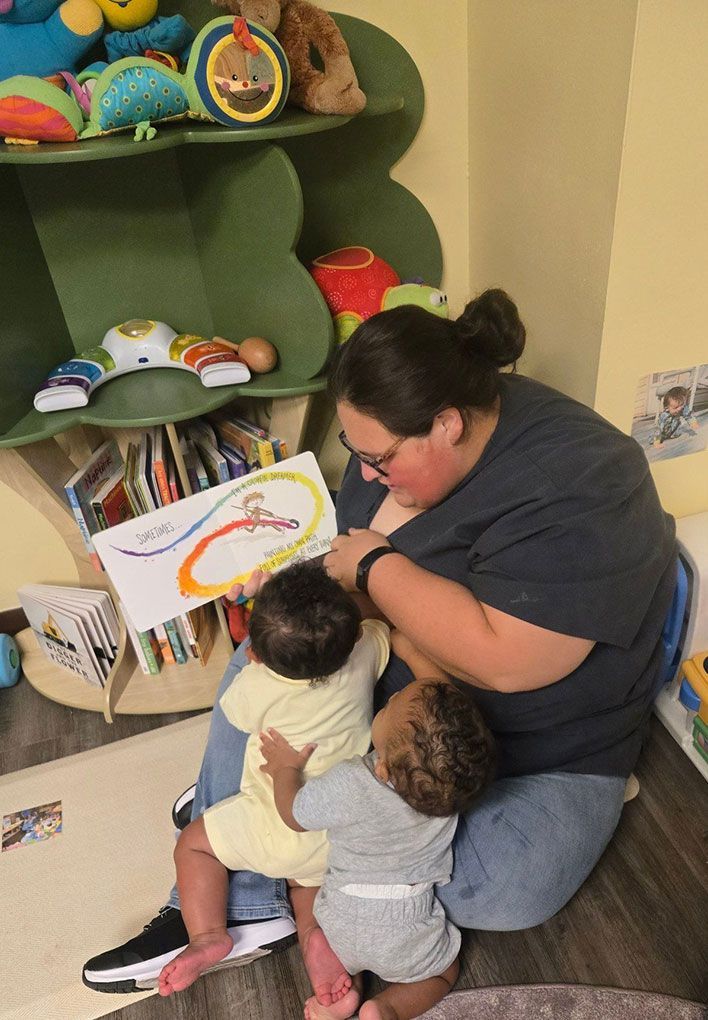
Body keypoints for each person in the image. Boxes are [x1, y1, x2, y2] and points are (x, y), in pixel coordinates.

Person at [83, 287, 677, 993]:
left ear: (448, 425)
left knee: (500, 887)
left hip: (541, 747)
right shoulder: (405, 442)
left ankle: (267, 802)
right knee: (270, 656)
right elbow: (339, 557)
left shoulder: (580, 482)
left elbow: (507, 665)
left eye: (381, 458)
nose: (364, 473)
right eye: (354, 451)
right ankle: (239, 900)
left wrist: (372, 570)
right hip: (403, 701)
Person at [260, 666, 496, 1020]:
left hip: (339, 913)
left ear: (383, 768)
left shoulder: (353, 780)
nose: (388, 700)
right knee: (442, 973)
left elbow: (294, 814)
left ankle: (330, 962)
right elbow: (443, 735)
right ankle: (385, 1008)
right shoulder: (451, 792)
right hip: (405, 928)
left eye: (389, 707)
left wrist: (284, 770)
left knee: (299, 883)